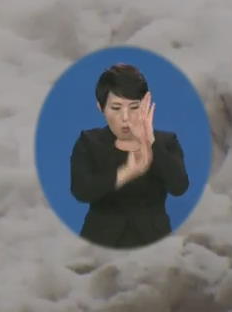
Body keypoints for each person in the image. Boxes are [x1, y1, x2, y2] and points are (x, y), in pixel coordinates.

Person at [69, 64, 190, 248]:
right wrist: (126, 173)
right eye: (116, 108)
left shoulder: (166, 141)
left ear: (145, 105)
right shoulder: (88, 142)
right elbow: (81, 191)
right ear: (101, 108)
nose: (125, 117)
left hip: (154, 243)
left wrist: (150, 142)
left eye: (134, 107)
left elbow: (179, 186)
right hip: (99, 244)